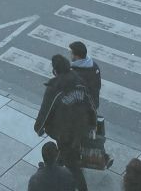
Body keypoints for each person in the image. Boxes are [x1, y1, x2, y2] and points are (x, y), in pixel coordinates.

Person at [34, 54, 96, 191]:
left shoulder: (55, 88)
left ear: (55, 71)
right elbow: (90, 104)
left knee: (73, 165)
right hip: (81, 126)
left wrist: (38, 128)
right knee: (67, 152)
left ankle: (81, 187)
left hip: (65, 132)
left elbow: (46, 110)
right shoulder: (80, 82)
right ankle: (57, 162)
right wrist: (92, 124)